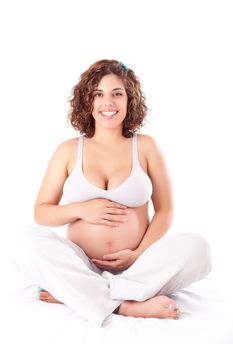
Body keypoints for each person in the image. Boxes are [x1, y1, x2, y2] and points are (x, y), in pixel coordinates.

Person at [15, 59, 212, 327]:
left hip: (139, 266)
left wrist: (138, 253)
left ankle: (77, 293)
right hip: (81, 263)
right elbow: (42, 213)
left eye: (117, 93)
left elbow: (165, 211)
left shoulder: (145, 146)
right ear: (87, 101)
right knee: (28, 243)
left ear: (129, 99)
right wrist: (81, 210)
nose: (108, 103)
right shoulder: (68, 150)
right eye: (98, 94)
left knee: (199, 248)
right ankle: (124, 305)